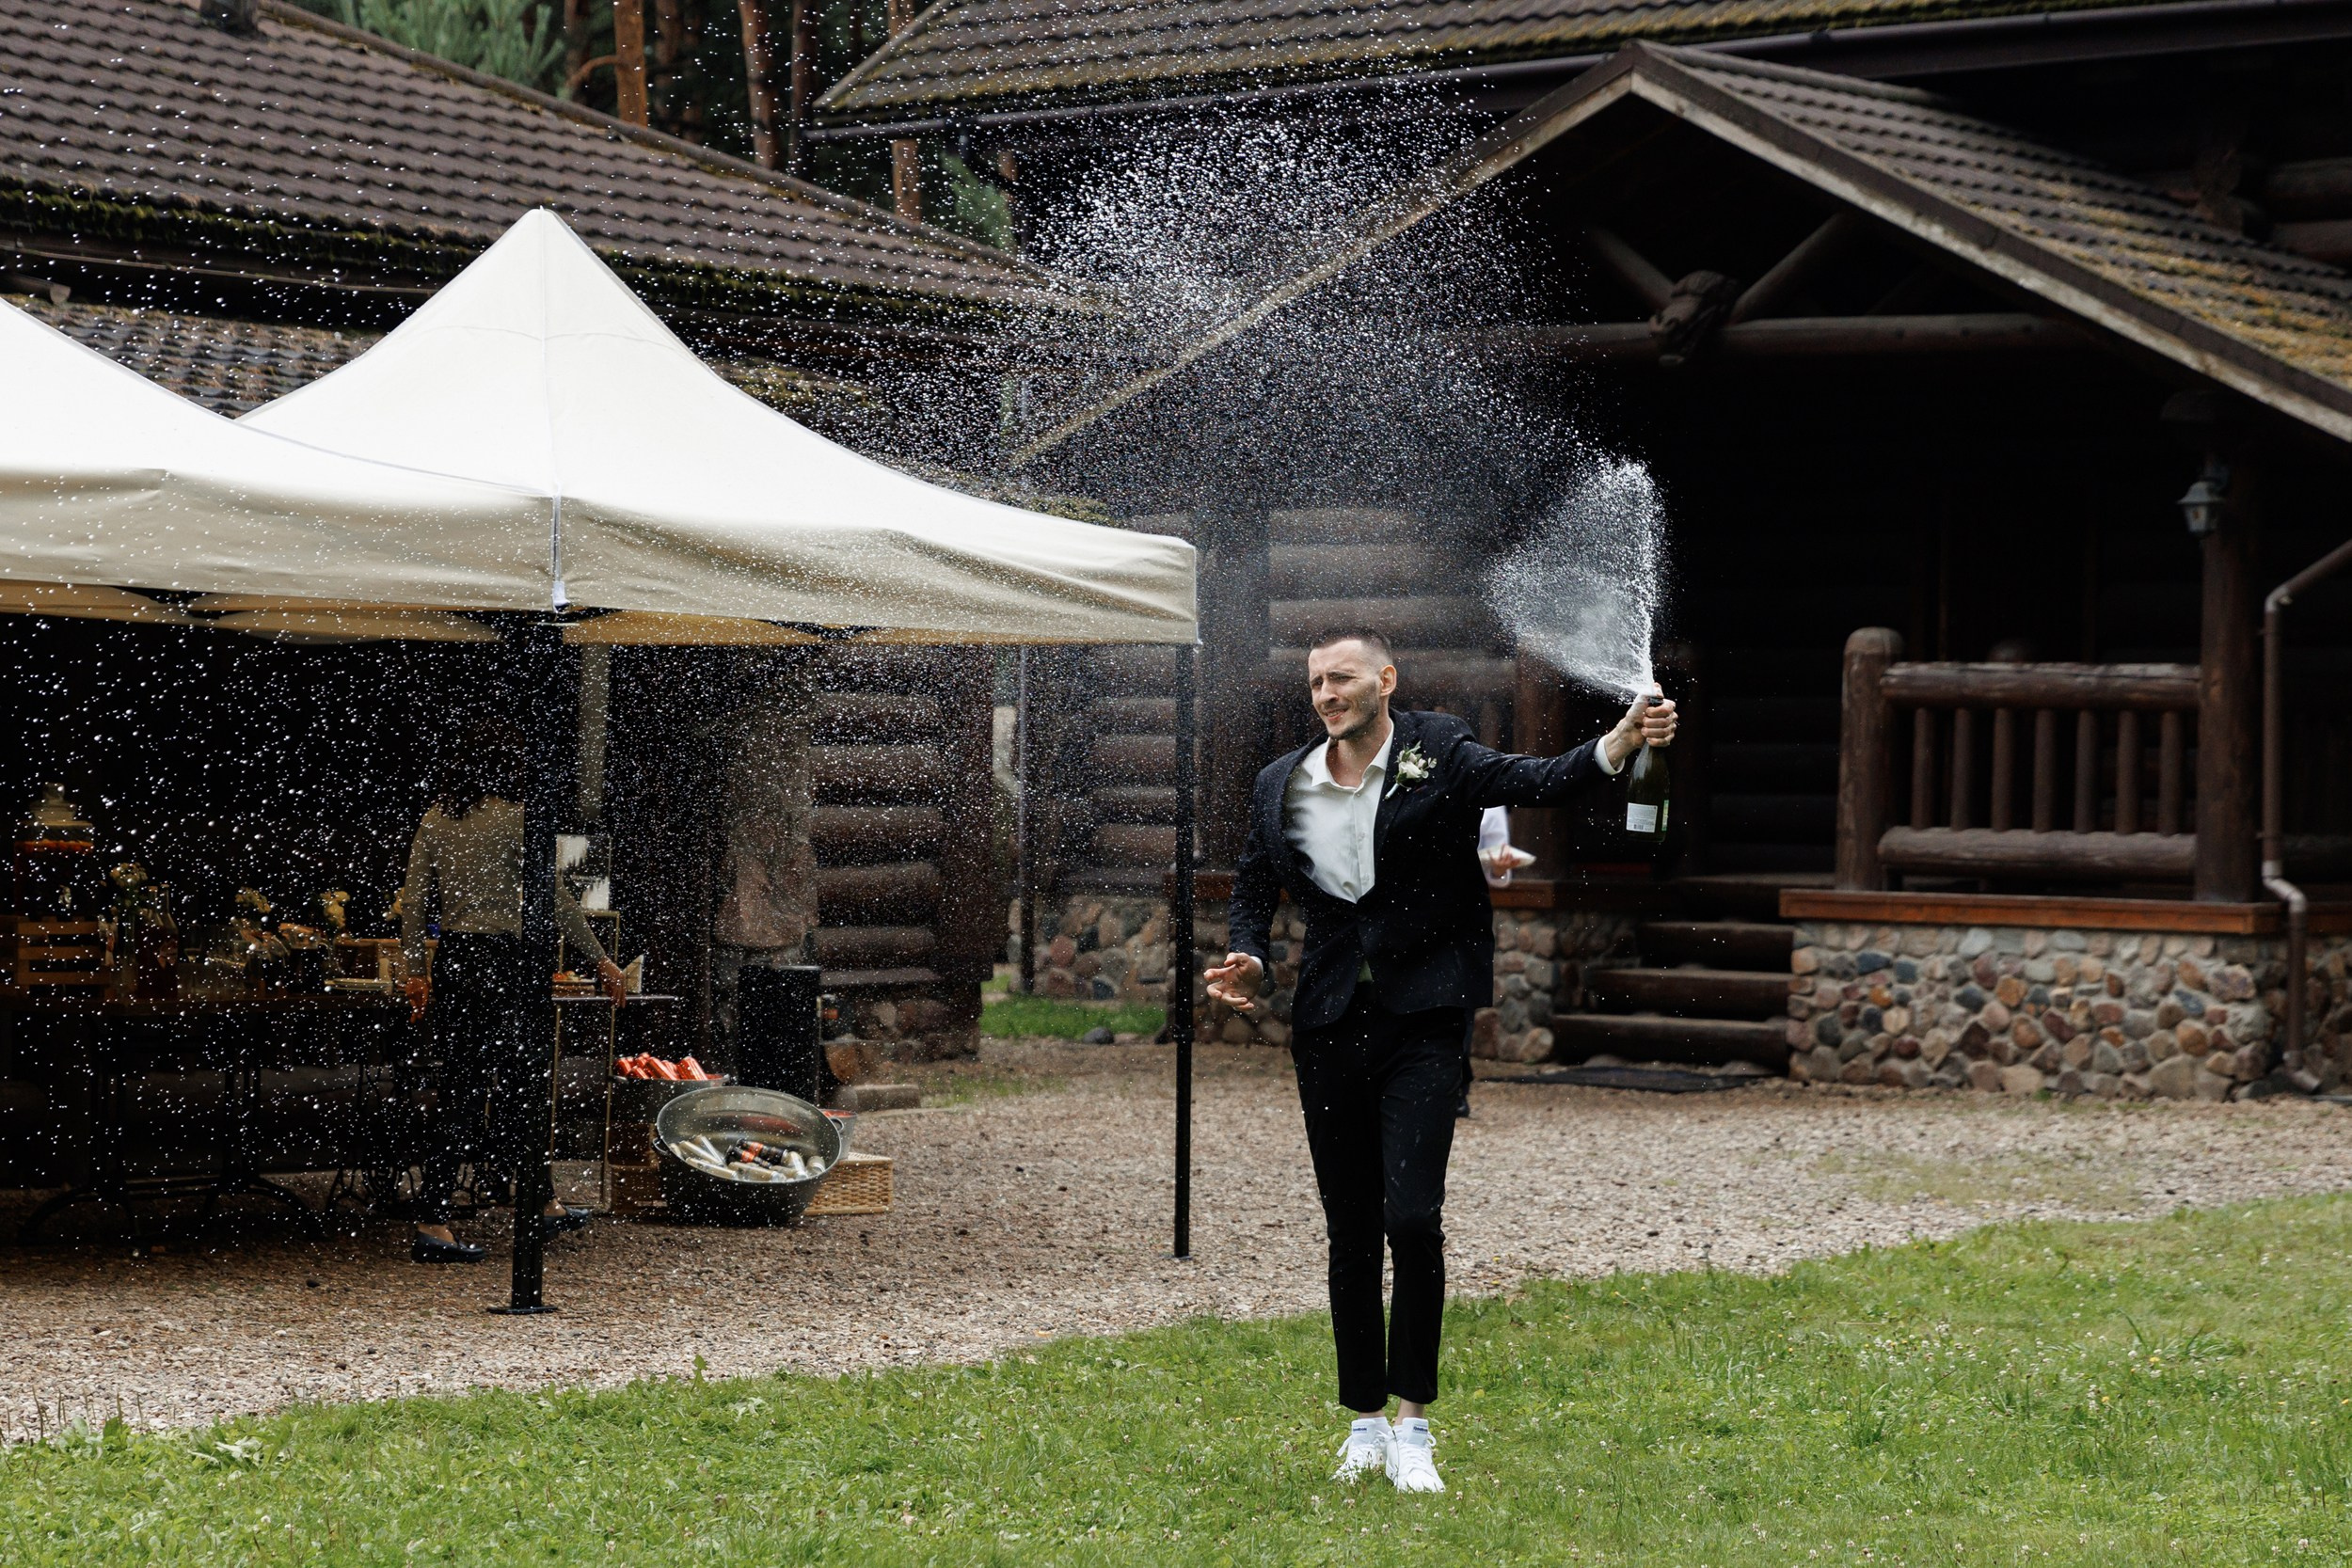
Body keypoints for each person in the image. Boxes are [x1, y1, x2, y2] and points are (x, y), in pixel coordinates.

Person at [1204, 629, 1674, 1493]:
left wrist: (1618, 742)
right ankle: (1364, 1424)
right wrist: (1251, 956)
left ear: (1386, 679)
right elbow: (1250, 884)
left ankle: (1414, 1424)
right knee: (1351, 1228)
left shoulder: (1441, 748)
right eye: (1315, 682)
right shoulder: (1283, 782)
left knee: (1412, 1217)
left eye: (1341, 677)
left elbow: (1534, 780)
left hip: (1425, 1018)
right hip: (1329, 1024)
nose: (1325, 693)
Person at [401, 719, 626, 1265]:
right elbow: (557, 901)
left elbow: (413, 902)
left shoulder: (437, 819)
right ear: (510, 769)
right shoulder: (518, 822)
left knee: (459, 1088)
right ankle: (525, 1200)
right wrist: (601, 958)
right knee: (522, 1085)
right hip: (507, 963)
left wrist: (415, 971)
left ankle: (449, 1214)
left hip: (456, 960)